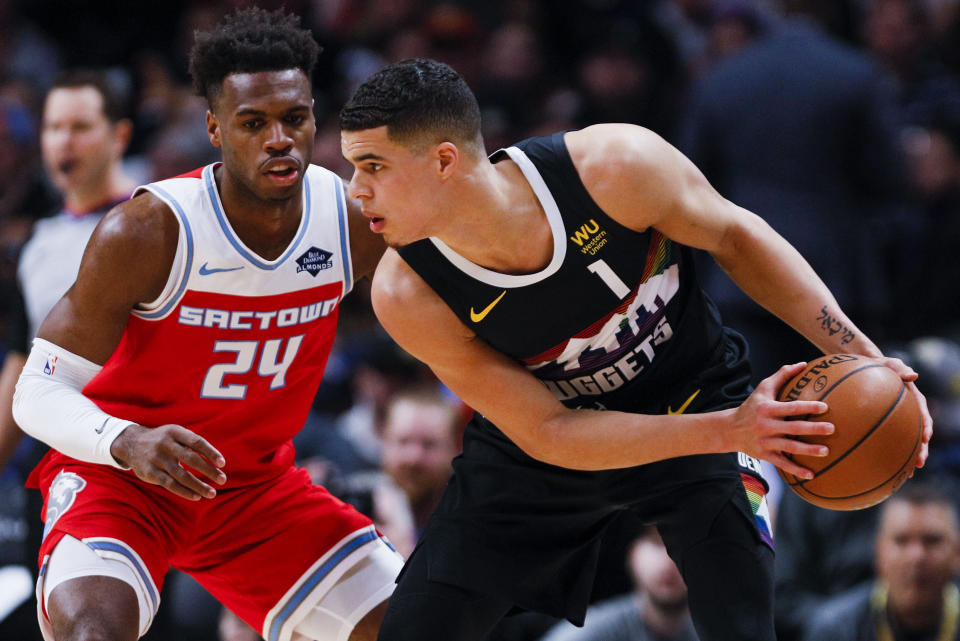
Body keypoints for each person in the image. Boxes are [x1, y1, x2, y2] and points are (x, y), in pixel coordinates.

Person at [337, 58, 932, 641]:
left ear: (444, 160)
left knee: (744, 623)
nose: (356, 188)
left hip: (692, 397)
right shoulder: (407, 292)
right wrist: (733, 430)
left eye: (372, 165)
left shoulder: (614, 168)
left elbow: (739, 238)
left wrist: (869, 361)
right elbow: (549, 431)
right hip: (546, 456)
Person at [12, 8, 403, 641]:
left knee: (415, 623)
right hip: (124, 480)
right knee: (93, 632)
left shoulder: (352, 217)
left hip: (253, 489)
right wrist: (128, 441)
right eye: (253, 123)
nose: (278, 138)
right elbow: (35, 394)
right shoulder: (148, 230)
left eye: (294, 118)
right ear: (215, 128)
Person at [0, 69, 136, 641]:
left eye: (81, 126)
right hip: (58, 460)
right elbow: (18, 363)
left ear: (119, 136)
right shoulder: (33, 245)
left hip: (145, 447)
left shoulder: (158, 219)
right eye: (54, 127)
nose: (64, 141)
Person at [802, 483, 960, 641]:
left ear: (957, 552)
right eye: (901, 541)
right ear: (878, 551)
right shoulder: (835, 629)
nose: (916, 556)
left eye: (932, 541)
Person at [539, 526, 698, 641]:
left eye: (681, 546)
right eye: (656, 543)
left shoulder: (713, 631)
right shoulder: (594, 632)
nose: (668, 560)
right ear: (632, 553)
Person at [379, 386, 462, 537]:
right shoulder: (354, 510)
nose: (414, 458)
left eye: (429, 444)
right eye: (403, 441)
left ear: (455, 448)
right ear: (384, 440)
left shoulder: (475, 520)